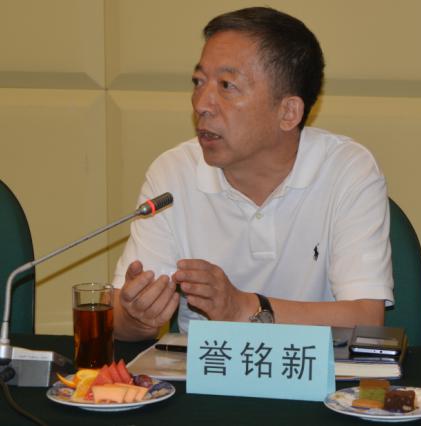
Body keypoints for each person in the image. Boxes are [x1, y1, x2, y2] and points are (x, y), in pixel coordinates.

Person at [112, 7, 394, 341]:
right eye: (198, 82)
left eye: (227, 85)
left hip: (313, 369)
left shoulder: (347, 170)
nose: (201, 104)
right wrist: (138, 318)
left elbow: (366, 319)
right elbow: (120, 321)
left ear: (288, 112)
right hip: (210, 368)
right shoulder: (173, 173)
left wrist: (243, 308)